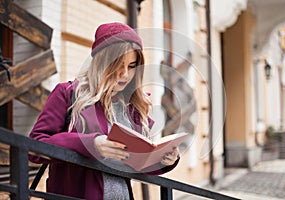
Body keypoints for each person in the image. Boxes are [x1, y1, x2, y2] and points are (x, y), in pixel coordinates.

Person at [29, 22, 180, 200]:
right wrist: (91, 144)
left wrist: (164, 160)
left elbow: (136, 164)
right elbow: (35, 146)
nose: (124, 74)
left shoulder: (132, 109)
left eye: (131, 66)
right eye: (118, 65)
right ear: (102, 62)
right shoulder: (67, 93)